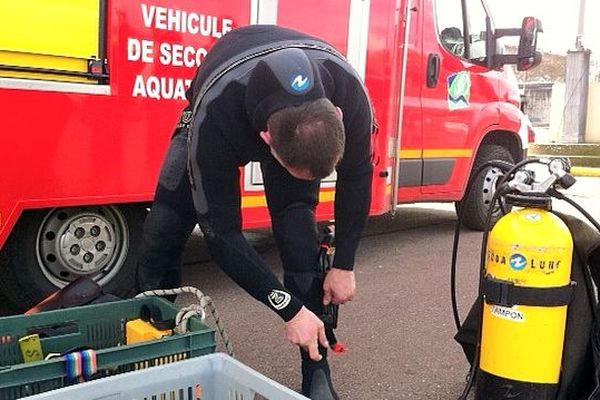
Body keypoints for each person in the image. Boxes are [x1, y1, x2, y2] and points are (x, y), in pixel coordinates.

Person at [137, 24, 374, 399]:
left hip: (297, 121)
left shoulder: (350, 92)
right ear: (266, 142)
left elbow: (359, 177)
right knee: (163, 229)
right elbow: (222, 234)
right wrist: (289, 309)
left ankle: (316, 367)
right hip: (221, 93)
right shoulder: (216, 116)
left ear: (339, 116)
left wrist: (345, 264)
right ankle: (151, 343)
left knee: (299, 238)